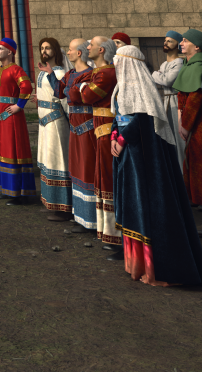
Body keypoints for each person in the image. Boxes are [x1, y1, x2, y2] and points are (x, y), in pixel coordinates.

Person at [110, 45, 202, 287]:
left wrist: (123, 139)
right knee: (131, 203)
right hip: (126, 155)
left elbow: (143, 118)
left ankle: (153, 267)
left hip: (140, 156)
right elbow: (118, 117)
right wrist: (115, 136)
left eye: (119, 61)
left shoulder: (140, 87)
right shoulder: (121, 87)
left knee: (144, 204)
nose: (116, 66)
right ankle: (135, 264)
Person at [80, 36, 121, 250]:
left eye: (91, 45)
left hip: (107, 131)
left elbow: (86, 96)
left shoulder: (107, 73)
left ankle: (115, 234)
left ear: (102, 50)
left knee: (107, 178)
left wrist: (83, 87)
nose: (88, 48)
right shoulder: (99, 72)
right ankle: (106, 231)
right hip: (99, 130)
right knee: (101, 178)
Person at [56, 38, 96, 235]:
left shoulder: (90, 74)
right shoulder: (71, 74)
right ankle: (79, 215)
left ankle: (90, 219)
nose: (68, 53)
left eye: (70, 50)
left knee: (87, 170)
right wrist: (69, 88)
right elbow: (62, 92)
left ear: (79, 53)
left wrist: (70, 89)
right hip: (75, 128)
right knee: (76, 169)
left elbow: (75, 95)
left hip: (87, 129)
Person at [173, 29, 202, 216]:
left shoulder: (199, 67)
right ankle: (196, 195)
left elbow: (195, 99)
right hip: (189, 121)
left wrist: (185, 124)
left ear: (196, 46)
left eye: (185, 40)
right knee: (192, 158)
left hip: (200, 122)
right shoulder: (189, 65)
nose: (181, 43)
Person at [0, 37, 36, 204]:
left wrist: (19, 105)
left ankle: (18, 192)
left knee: (13, 151)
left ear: (10, 52)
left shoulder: (16, 69)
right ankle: (7, 189)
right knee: (3, 152)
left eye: (1, 48)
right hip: (1, 117)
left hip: (12, 117)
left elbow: (26, 86)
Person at [35, 37, 72, 221]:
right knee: (48, 162)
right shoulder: (43, 71)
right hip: (45, 123)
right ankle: (51, 202)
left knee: (58, 162)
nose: (44, 51)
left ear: (55, 50)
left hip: (56, 123)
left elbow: (63, 99)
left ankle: (63, 207)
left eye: (48, 48)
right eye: (42, 48)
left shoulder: (58, 73)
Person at [150, 31, 185, 170]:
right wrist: (159, 76)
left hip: (176, 101)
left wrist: (154, 74)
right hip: (166, 101)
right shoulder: (165, 63)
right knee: (167, 135)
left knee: (178, 136)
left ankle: (183, 170)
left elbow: (167, 81)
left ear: (177, 45)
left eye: (170, 41)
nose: (166, 43)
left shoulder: (179, 62)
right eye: (165, 40)